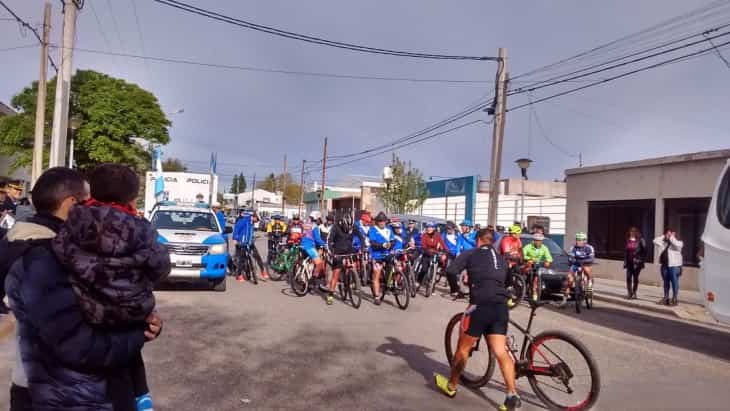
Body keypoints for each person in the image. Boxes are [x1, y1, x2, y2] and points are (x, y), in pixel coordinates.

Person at [4, 167, 163, 411]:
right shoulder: (43, 256)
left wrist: (145, 319)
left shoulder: (73, 250)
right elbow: (79, 345)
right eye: (91, 202)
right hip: (64, 394)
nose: (99, 210)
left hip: (79, 387)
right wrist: (138, 333)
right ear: (72, 204)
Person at [51, 164, 171, 411]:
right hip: (129, 322)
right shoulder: (141, 229)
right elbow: (161, 267)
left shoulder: (72, 223)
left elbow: (59, 251)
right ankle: (141, 395)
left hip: (81, 321)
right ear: (132, 198)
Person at [435, 228, 521, 411]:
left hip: (480, 306)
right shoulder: (500, 258)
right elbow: (508, 281)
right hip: (500, 306)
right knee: (501, 352)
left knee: (463, 349)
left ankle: (451, 386)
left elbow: (451, 271)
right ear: (493, 241)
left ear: (478, 240)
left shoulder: (471, 253)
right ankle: (512, 395)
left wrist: (455, 289)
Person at [325, 213, 365, 305]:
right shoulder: (335, 227)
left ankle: (352, 280)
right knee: (336, 274)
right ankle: (330, 295)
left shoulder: (353, 226)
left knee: (352, 267)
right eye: (347, 227)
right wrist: (331, 252)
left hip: (349, 250)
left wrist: (362, 248)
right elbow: (329, 241)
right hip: (337, 252)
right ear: (342, 223)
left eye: (350, 228)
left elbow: (362, 237)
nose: (348, 230)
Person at [233, 209, 269, 281]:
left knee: (257, 256)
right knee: (242, 259)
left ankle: (263, 271)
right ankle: (239, 275)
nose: (257, 221)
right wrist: (235, 239)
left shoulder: (252, 223)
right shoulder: (244, 220)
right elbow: (237, 229)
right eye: (257, 219)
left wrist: (253, 237)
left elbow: (250, 233)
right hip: (242, 242)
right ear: (253, 217)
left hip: (250, 242)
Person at [562, 232, 595, 307]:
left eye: (580, 240)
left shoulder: (589, 248)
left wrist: (585, 261)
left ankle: (589, 283)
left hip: (585, 264)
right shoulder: (573, 247)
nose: (578, 241)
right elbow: (571, 257)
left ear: (584, 241)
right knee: (569, 280)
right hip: (576, 264)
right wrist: (571, 260)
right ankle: (564, 300)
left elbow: (591, 258)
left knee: (586, 268)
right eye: (577, 239)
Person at [369, 212, 394, 304]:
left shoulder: (389, 230)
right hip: (376, 255)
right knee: (377, 273)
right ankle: (376, 297)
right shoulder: (373, 230)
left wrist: (391, 244)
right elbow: (373, 243)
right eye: (380, 221)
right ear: (377, 222)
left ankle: (387, 285)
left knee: (391, 267)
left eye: (383, 221)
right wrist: (382, 245)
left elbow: (392, 240)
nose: (382, 223)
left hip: (387, 254)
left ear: (386, 221)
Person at [653, 228, 683, 306]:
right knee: (666, 282)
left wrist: (671, 237)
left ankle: (674, 299)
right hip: (664, 265)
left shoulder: (679, 243)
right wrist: (664, 236)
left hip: (674, 266)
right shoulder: (663, 243)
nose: (669, 235)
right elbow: (655, 241)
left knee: (674, 282)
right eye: (668, 234)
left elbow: (677, 244)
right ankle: (666, 298)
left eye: (671, 234)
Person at [522, 233, 553, 301]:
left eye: (540, 241)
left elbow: (549, 257)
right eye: (537, 240)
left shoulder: (544, 247)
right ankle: (523, 284)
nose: (538, 242)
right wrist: (529, 258)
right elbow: (522, 254)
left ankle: (534, 292)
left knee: (536, 277)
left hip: (537, 264)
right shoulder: (528, 246)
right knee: (528, 268)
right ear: (534, 240)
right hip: (528, 263)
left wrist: (548, 261)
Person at [419, 221, 447, 286]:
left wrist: (446, 252)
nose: (429, 229)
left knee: (441, 262)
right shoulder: (424, 235)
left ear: (434, 228)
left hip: (435, 253)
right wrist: (427, 250)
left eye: (431, 227)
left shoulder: (437, 235)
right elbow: (423, 246)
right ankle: (419, 280)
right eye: (428, 227)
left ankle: (434, 276)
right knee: (424, 269)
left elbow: (443, 244)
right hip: (426, 253)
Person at [625, 227, 647, 300]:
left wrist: (641, 260)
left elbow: (644, 251)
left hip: (637, 263)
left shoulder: (640, 240)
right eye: (631, 231)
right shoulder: (628, 240)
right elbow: (626, 252)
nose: (632, 233)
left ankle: (634, 292)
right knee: (628, 277)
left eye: (633, 231)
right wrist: (625, 262)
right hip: (629, 262)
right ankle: (629, 293)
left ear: (636, 232)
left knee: (635, 278)